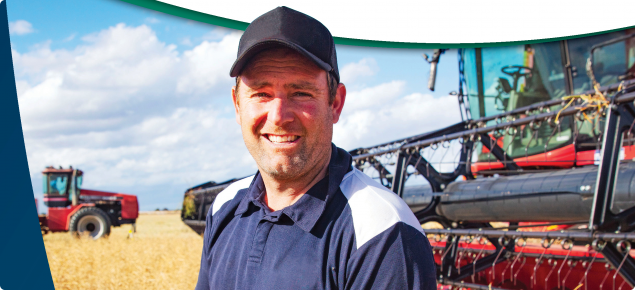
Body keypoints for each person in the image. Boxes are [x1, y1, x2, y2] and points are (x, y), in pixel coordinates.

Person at [195, 6, 436, 290]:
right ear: (237, 104)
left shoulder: (381, 232)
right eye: (261, 94)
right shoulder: (224, 207)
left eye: (301, 93)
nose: (278, 116)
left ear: (335, 103)